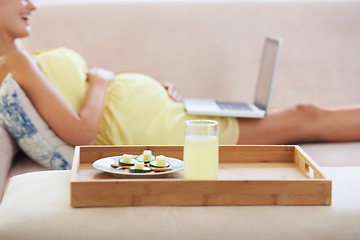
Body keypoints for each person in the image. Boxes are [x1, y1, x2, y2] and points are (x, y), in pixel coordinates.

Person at [0, 0, 360, 148]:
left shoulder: (21, 57)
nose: (32, 5)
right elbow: (80, 132)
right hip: (162, 132)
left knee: (304, 114)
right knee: (306, 116)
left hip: (161, 115)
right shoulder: (16, 62)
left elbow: (72, 98)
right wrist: (103, 80)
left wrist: (146, 88)